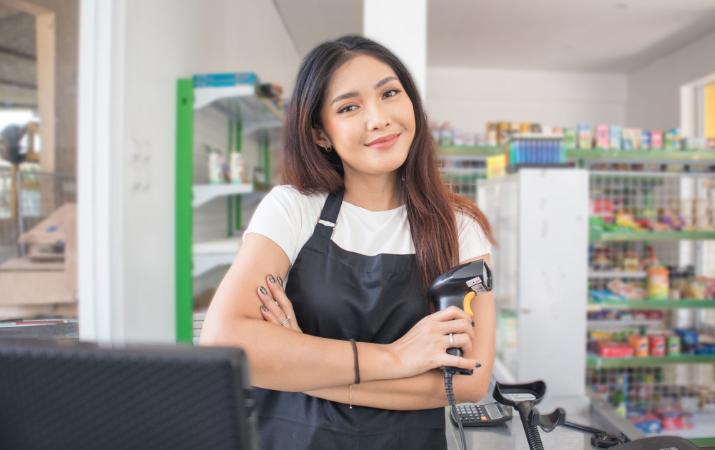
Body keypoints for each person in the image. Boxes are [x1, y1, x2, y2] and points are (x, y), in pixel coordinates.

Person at [200, 35, 496, 449]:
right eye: (349, 107)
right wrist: (397, 358)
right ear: (321, 134)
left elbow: (469, 382)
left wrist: (298, 361)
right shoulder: (292, 208)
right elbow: (225, 341)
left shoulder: (458, 228)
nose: (378, 119)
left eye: (389, 93)